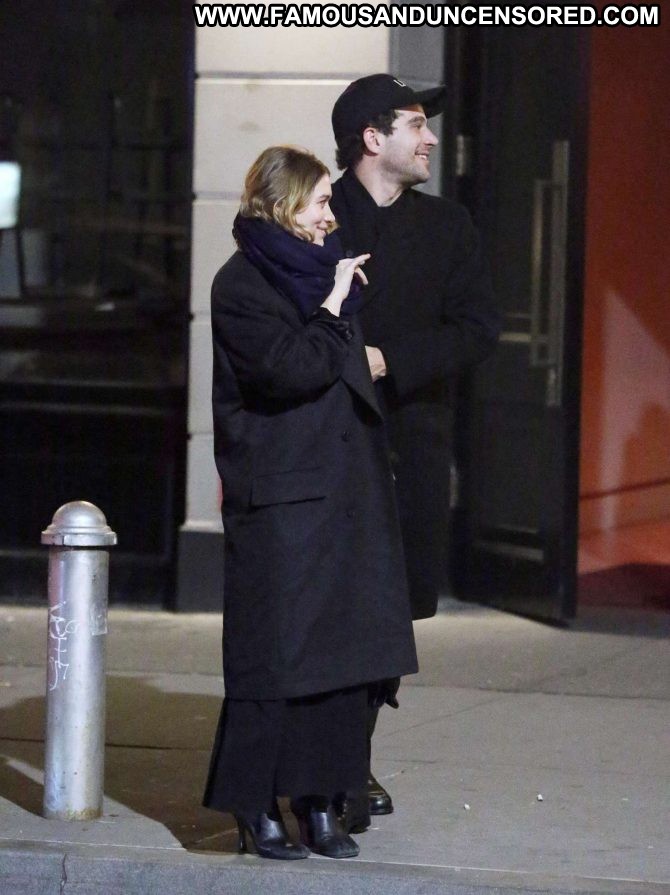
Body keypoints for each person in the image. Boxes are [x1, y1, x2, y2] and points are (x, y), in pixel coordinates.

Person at [202, 145, 418, 860]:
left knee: (342, 660)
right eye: (321, 202)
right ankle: (255, 802)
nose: (331, 216)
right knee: (274, 660)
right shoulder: (242, 283)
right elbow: (287, 372)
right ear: (283, 205)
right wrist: (331, 308)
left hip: (347, 495)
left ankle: (322, 799)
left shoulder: (331, 277)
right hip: (284, 501)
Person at [329, 74, 501, 831]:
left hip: (413, 443)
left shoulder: (447, 224)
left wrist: (389, 360)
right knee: (337, 606)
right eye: (415, 124)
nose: (431, 138)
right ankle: (333, 763)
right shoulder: (317, 211)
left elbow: (478, 328)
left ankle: (351, 755)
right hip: (331, 444)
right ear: (373, 138)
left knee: (393, 610)